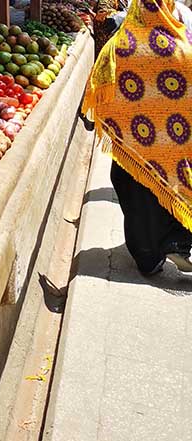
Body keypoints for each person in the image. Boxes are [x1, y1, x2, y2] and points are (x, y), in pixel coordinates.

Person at [82, 0, 192, 275]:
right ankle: (176, 242)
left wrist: (97, 116)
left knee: (133, 189)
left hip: (133, 139)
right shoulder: (183, 43)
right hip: (174, 142)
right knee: (172, 185)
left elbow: (99, 84)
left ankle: (148, 257)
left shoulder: (119, 45)